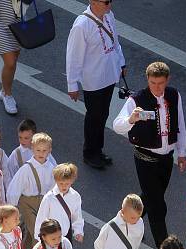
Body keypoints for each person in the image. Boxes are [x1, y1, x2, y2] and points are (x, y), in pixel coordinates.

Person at [112, 61, 186, 247]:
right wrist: (131, 119)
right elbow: (117, 125)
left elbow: (181, 126)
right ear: (148, 80)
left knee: (151, 196)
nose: (157, 87)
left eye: (161, 83)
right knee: (157, 206)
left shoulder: (174, 95)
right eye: (153, 83)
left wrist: (182, 153)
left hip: (166, 159)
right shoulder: (136, 100)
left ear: (167, 80)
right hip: (145, 159)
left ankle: (123, 226)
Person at [66, 0, 124, 170]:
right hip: (94, 80)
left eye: (110, 1)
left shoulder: (109, 16)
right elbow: (73, 57)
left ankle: (98, 150)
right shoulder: (82, 25)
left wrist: (121, 63)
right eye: (105, 2)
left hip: (109, 76)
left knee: (103, 114)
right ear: (93, 1)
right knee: (94, 117)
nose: (109, 5)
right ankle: (90, 153)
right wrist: (72, 85)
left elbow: (115, 42)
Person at [6, 131, 54, 249]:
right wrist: (12, 208)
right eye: (38, 150)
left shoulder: (51, 168)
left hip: (44, 202)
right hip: (27, 203)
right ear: (32, 149)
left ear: (49, 150)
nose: (41, 153)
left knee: (34, 230)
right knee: (37, 232)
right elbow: (14, 189)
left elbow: (55, 187)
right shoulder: (26, 169)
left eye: (44, 151)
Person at [34, 162, 84, 247]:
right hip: (50, 237)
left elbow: (77, 216)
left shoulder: (75, 196)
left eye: (67, 183)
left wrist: (78, 231)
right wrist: (39, 238)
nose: (64, 186)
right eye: (61, 183)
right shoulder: (49, 197)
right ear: (56, 181)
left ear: (72, 181)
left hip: (65, 237)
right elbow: (41, 218)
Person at [5, 118, 57, 187]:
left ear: (34, 136)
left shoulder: (43, 150)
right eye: (20, 137)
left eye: (26, 138)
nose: (22, 141)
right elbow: (9, 174)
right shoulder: (16, 154)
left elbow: (55, 168)